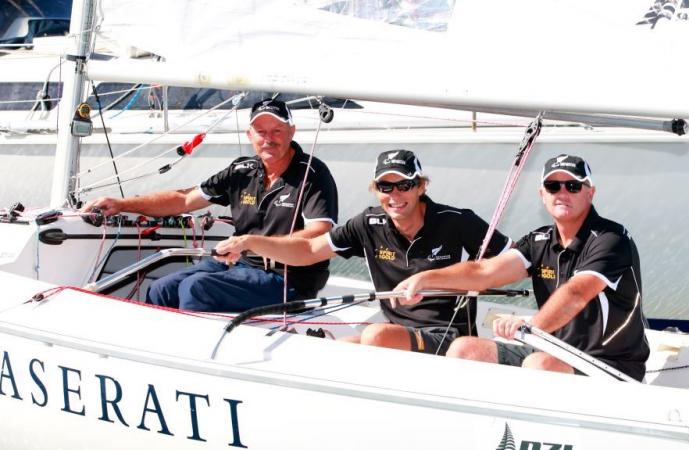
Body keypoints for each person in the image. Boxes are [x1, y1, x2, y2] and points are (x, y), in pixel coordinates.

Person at [214, 149, 510, 354]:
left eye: (404, 185)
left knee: (374, 335)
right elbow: (307, 249)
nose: (394, 196)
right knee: (331, 353)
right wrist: (249, 241)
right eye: (385, 186)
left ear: (420, 186)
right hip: (397, 332)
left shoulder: (457, 221)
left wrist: (431, 278)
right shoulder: (368, 223)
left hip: (448, 336)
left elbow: (511, 263)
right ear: (375, 189)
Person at [394, 154, 649, 380]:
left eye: (572, 186)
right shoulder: (539, 240)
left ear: (590, 192)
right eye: (552, 186)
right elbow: (484, 272)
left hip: (611, 366)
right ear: (542, 195)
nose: (562, 193)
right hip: (552, 349)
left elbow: (577, 293)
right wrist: (426, 277)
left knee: (538, 365)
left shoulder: (611, 238)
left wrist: (531, 326)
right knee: (464, 349)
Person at [82, 99, 338, 312]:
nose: (268, 139)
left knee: (196, 288)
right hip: (240, 265)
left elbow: (318, 236)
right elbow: (184, 200)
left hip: (287, 278)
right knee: (162, 287)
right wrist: (123, 204)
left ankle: (191, 364)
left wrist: (250, 242)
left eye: (277, 131)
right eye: (261, 132)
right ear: (250, 135)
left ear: (291, 132)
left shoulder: (313, 175)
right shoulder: (242, 170)